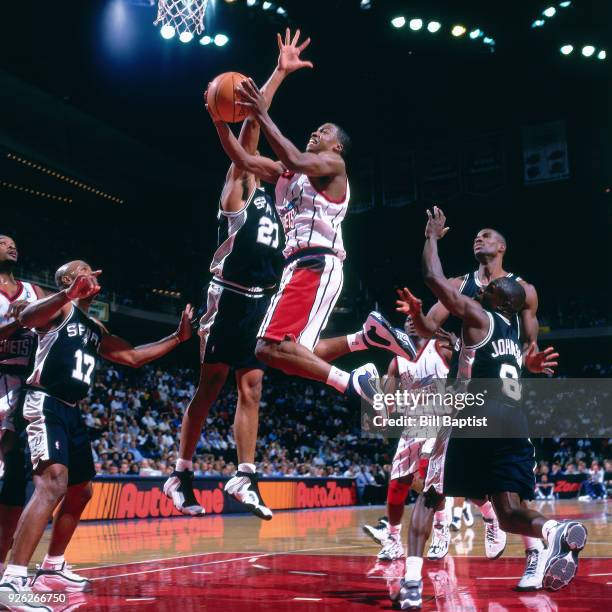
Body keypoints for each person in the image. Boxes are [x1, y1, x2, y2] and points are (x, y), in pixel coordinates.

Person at [396, 208, 587, 610]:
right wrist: (524, 364)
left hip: (472, 409)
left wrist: (431, 236)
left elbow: (433, 283)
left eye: (486, 235)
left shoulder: (486, 303)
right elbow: (438, 330)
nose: (477, 239)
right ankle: (553, 532)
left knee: (430, 494)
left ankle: (413, 579)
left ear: (502, 249)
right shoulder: (478, 298)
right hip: (511, 411)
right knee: (509, 508)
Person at [163, 28, 318, 520]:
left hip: (260, 299)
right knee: (210, 386)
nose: (273, 163)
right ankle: (180, 472)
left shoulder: (278, 201)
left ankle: (245, 476)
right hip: (226, 296)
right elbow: (249, 130)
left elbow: (257, 135)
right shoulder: (241, 184)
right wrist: (274, 77)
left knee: (251, 387)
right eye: (264, 160)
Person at [209, 77, 416, 407]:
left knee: (266, 348)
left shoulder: (334, 164)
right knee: (290, 352)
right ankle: (365, 338)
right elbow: (243, 161)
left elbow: (293, 158)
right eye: (316, 129)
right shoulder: (286, 173)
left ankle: (353, 381)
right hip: (300, 265)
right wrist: (219, 120)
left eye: (325, 131)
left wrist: (262, 114)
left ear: (337, 146)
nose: (316, 132)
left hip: (316, 261)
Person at [0, 261, 192, 603]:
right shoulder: (59, 309)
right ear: (69, 280)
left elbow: (132, 356)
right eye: (84, 269)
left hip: (72, 410)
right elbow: (28, 318)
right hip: (45, 402)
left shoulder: (94, 326)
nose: (95, 272)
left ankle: (52, 569)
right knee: (53, 483)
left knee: (82, 491)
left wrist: (178, 338)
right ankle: (12, 580)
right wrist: (66, 295)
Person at [0, 235, 44, 576]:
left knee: (15, 476)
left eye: (14, 243)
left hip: (27, 385)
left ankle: (4, 563)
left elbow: (49, 325)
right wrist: (21, 322)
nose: (11, 245)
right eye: (2, 242)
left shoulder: (32, 290)